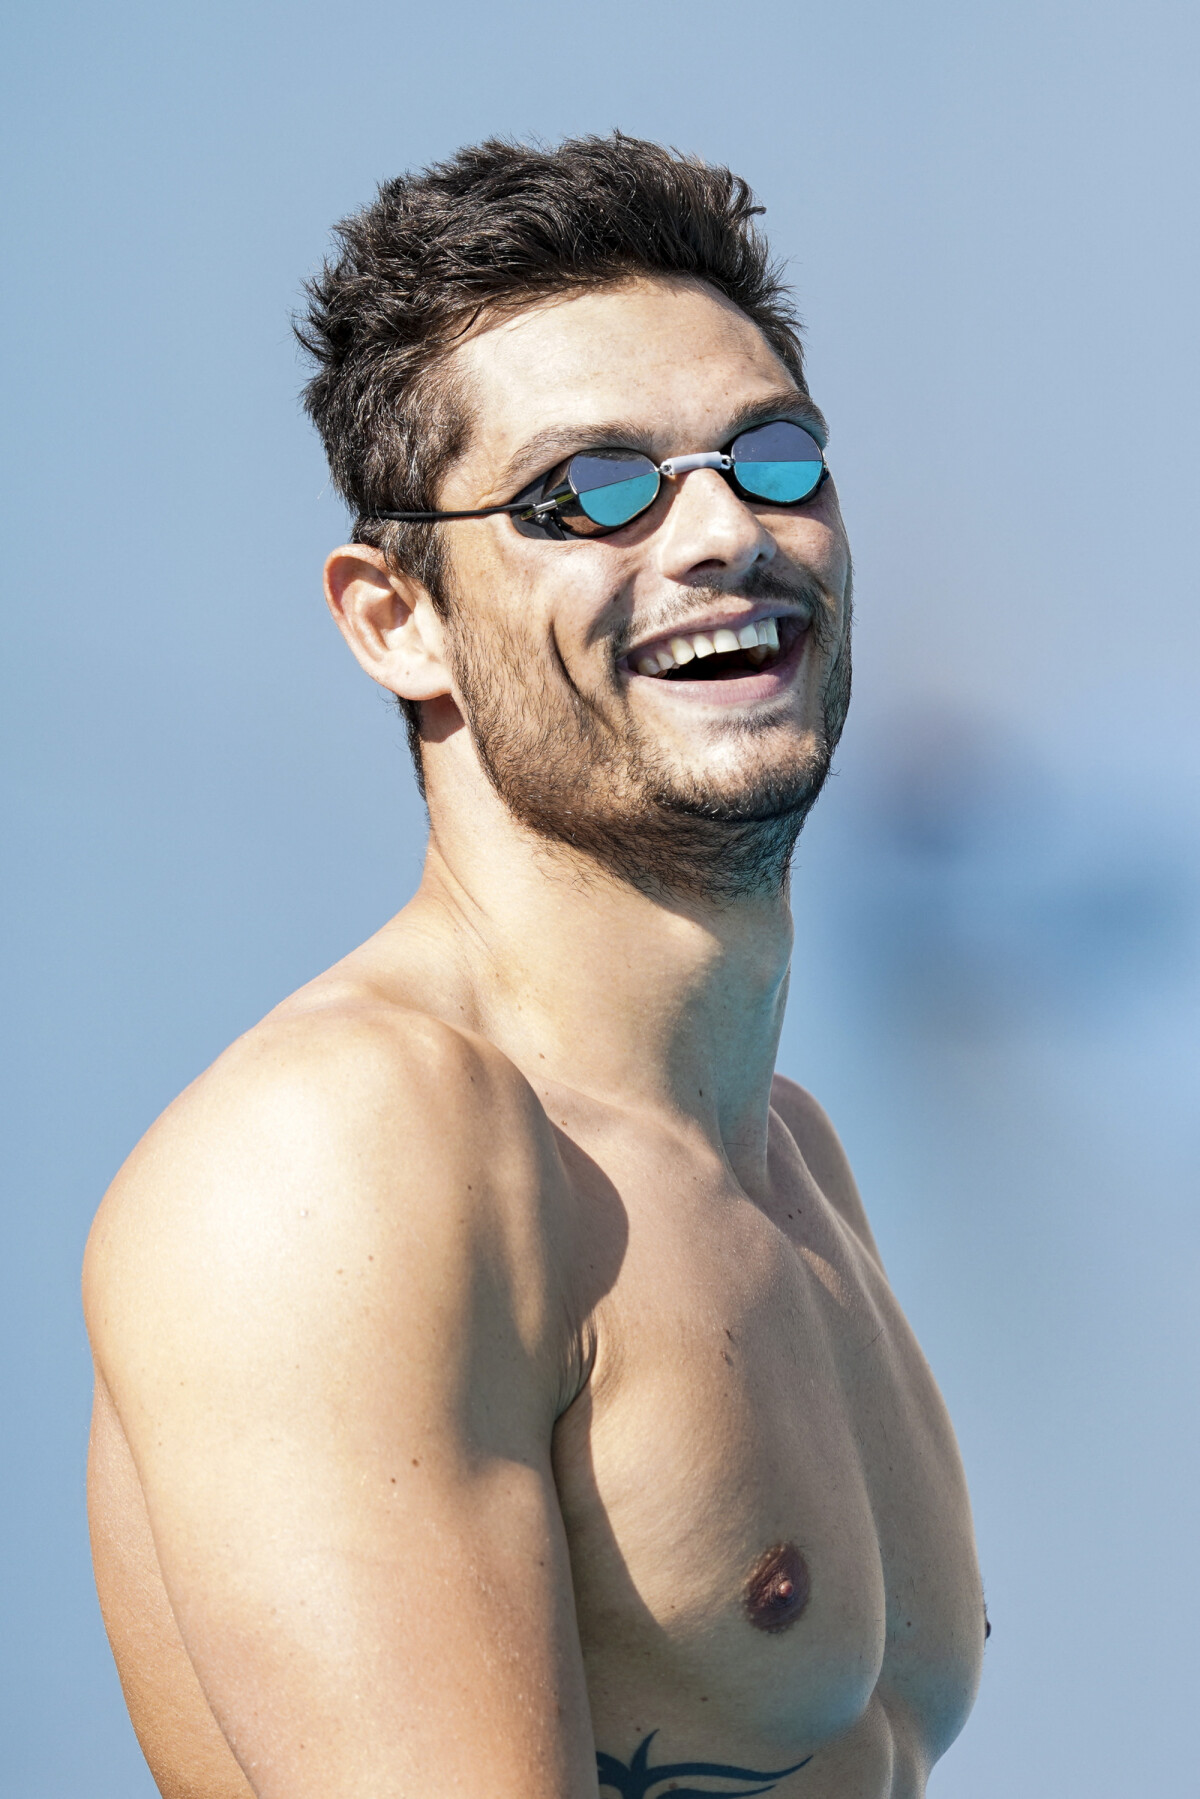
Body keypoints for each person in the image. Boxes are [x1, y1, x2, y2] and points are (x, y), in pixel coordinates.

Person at [84, 134, 986, 1799]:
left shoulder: (790, 1161)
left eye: (773, 455)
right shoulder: (352, 1158)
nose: (722, 528)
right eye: (596, 491)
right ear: (393, 620)